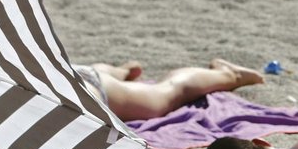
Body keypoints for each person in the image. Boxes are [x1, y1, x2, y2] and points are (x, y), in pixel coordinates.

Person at [74, 58, 264, 122]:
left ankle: (229, 74)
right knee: (93, 75)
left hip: (89, 90)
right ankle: (119, 72)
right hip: (74, 77)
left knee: (167, 93)